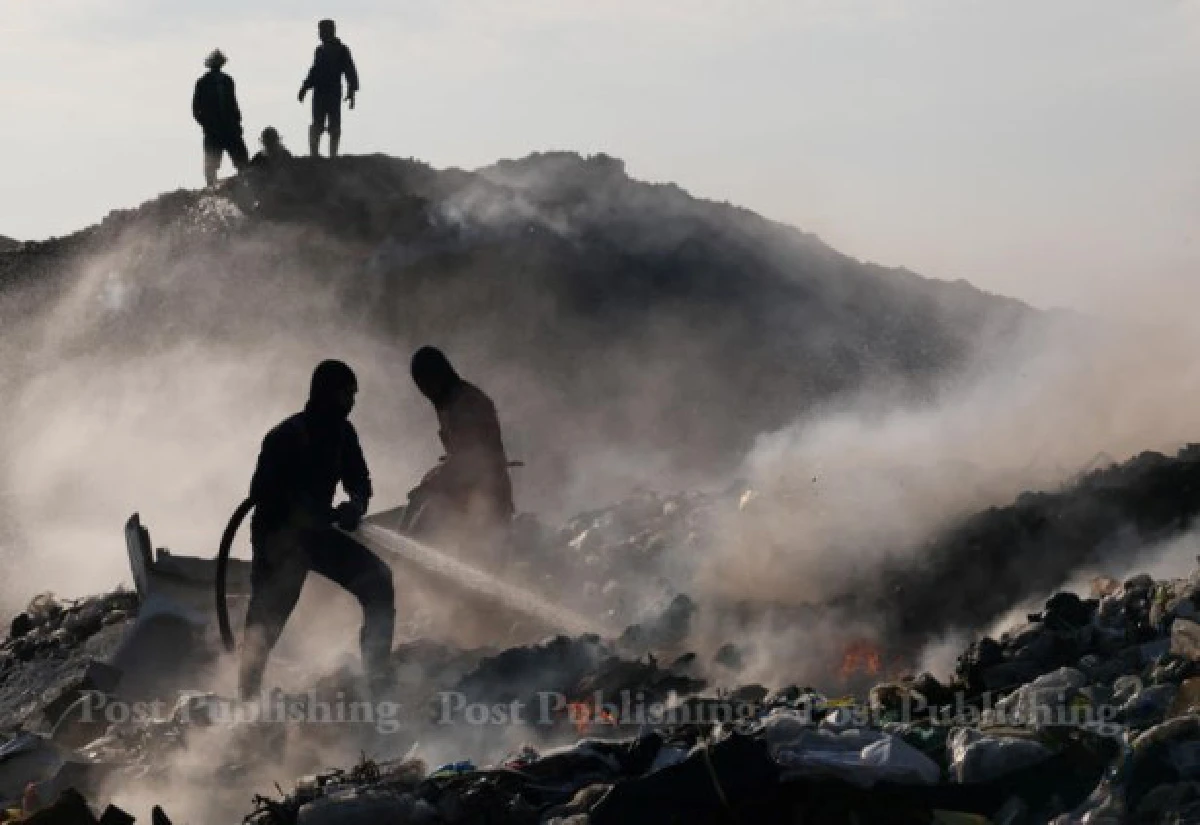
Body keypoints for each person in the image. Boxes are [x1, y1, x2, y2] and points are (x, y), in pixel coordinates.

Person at [240, 360, 395, 700]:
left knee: (379, 582)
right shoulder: (284, 437)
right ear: (326, 394)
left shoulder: (344, 434)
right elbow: (261, 493)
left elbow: (360, 480)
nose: (351, 403)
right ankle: (247, 697)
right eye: (346, 395)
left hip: (317, 536)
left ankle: (377, 679)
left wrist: (356, 505)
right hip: (279, 541)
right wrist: (304, 510)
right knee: (266, 620)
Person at [403, 347, 515, 543]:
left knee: (424, 533)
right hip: (465, 492)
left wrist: (433, 483)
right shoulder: (448, 403)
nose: (424, 391)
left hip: (485, 497)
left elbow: (473, 458)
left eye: (425, 382)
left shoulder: (467, 403)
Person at [298, 19, 359, 158]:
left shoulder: (342, 50)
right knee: (317, 124)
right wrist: (304, 87)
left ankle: (333, 156)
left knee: (334, 125)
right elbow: (314, 71)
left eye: (322, 31)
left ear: (330, 31)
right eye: (319, 31)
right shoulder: (319, 51)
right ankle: (314, 155)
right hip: (319, 93)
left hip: (333, 93)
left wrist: (351, 92)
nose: (320, 33)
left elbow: (350, 70)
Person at [192, 50, 250, 186]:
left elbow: (233, 102)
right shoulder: (202, 82)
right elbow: (196, 108)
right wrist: (206, 124)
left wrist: (237, 122)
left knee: (241, 159)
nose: (217, 66)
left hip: (230, 127)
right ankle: (211, 188)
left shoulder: (228, 80)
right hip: (213, 129)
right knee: (211, 163)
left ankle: (246, 185)